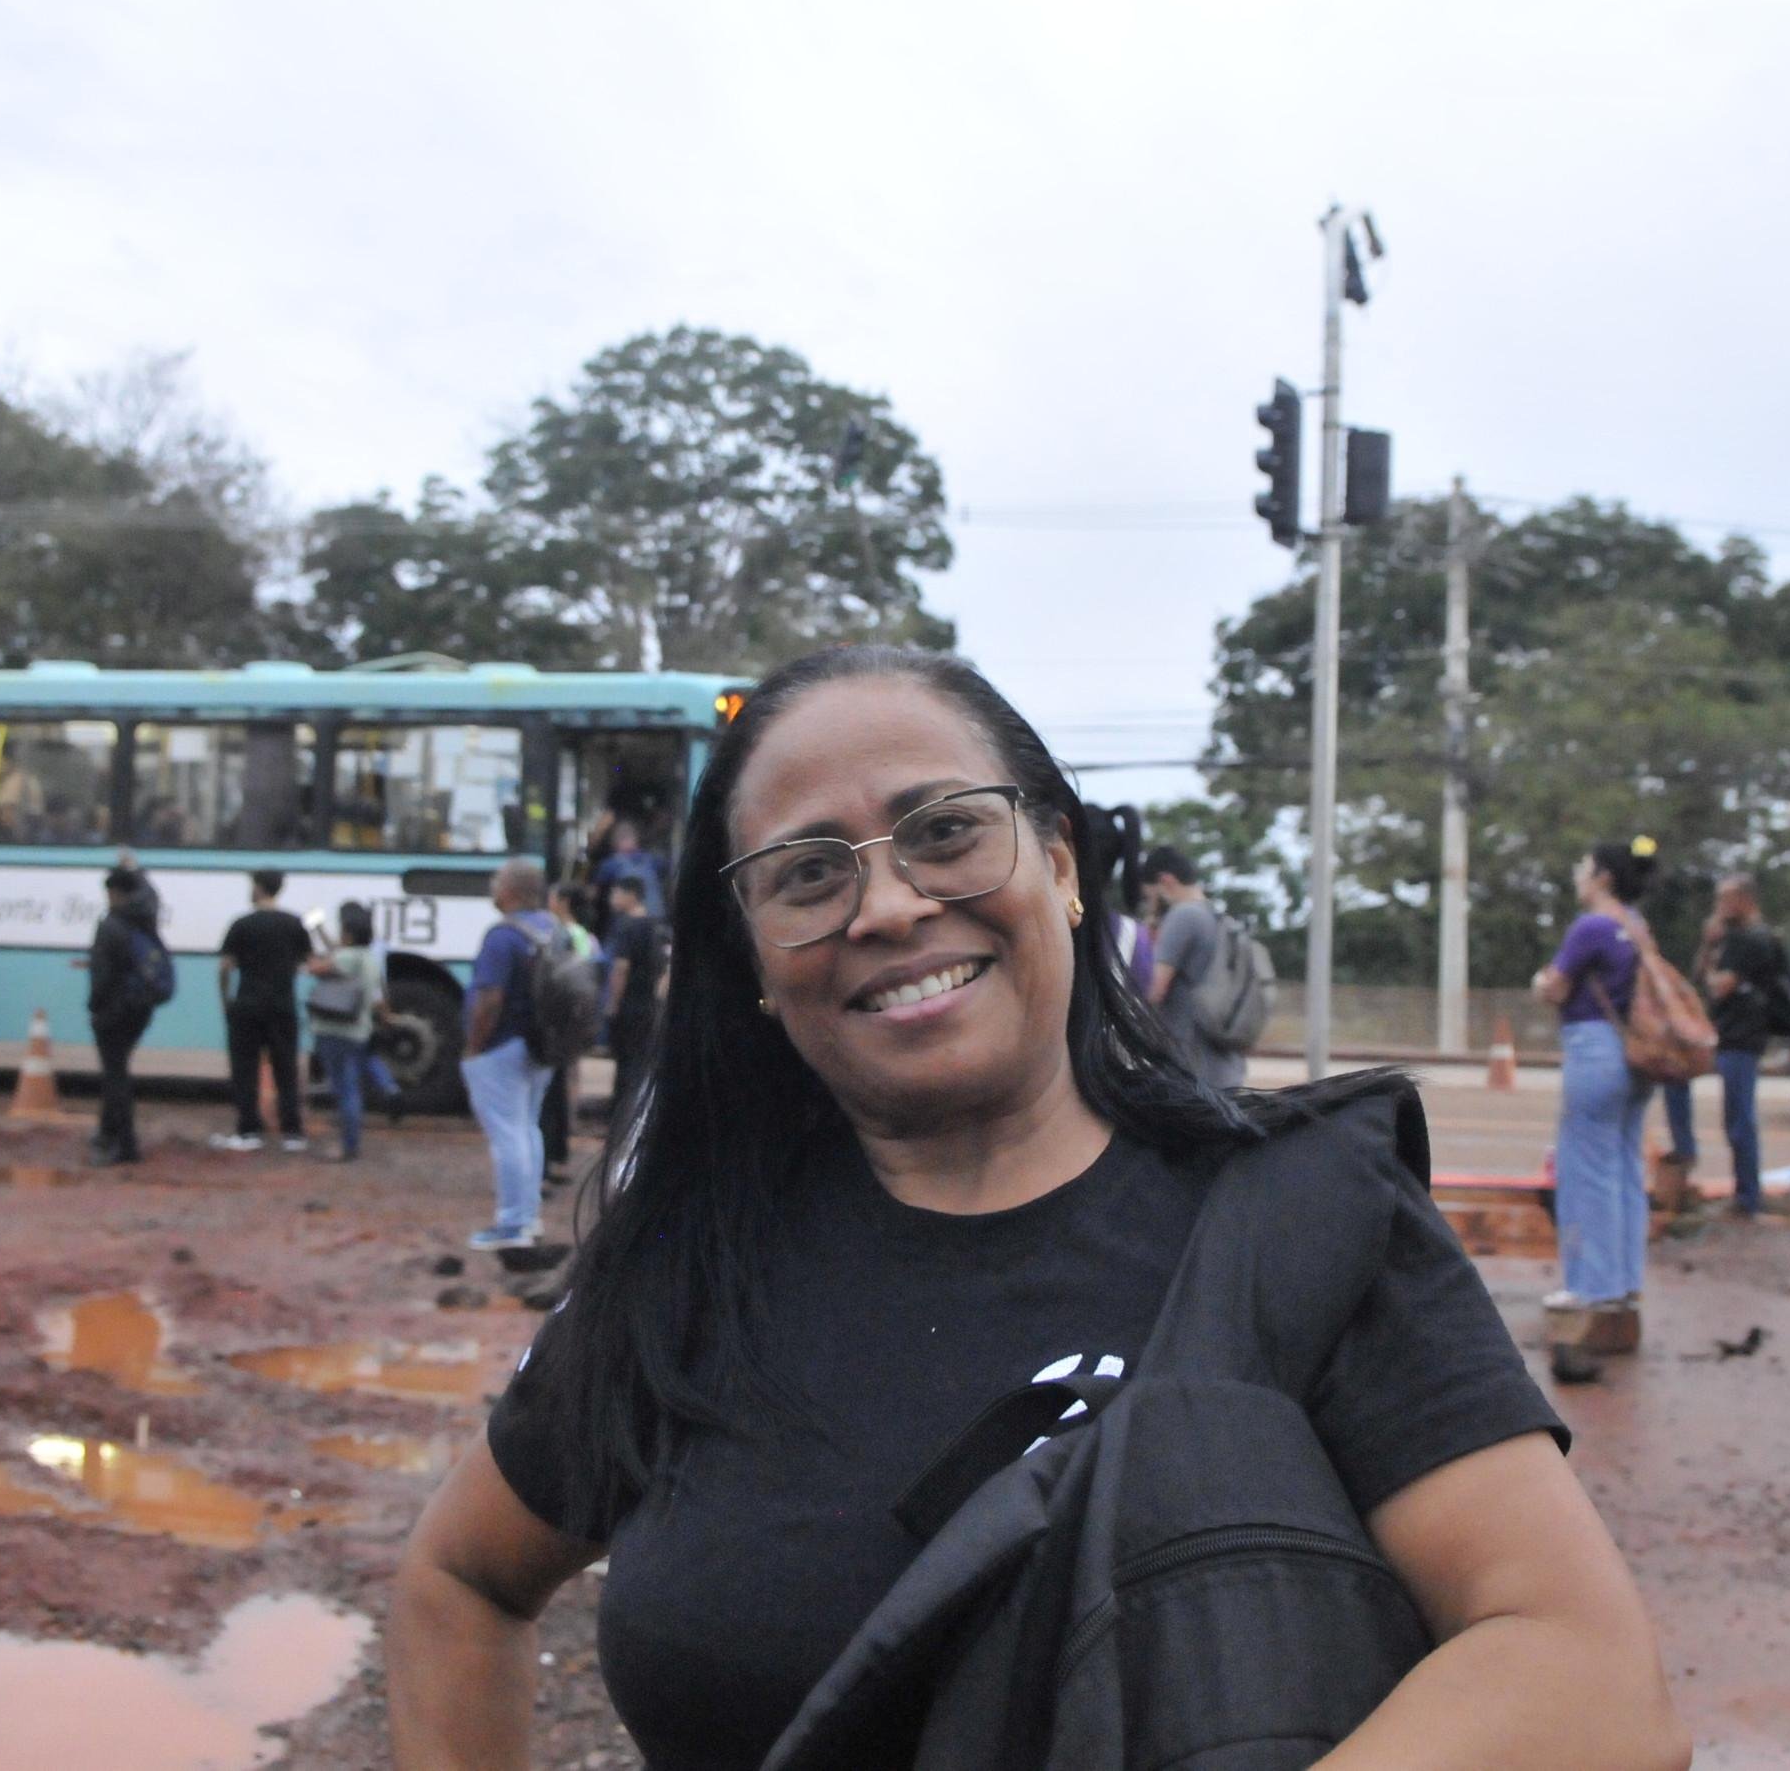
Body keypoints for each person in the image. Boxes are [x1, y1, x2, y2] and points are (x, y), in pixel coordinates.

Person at [387, 645, 1686, 1771]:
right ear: (753, 963)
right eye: (807, 874)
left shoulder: (1297, 1225)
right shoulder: (688, 1262)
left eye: (946, 831)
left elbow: (1586, 1678)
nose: (889, 904)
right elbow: (459, 1581)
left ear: (1059, 863)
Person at [1531, 839, 1658, 1316]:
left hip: (1594, 1049)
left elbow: (1556, 987)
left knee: (1585, 1171)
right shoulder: (1637, 926)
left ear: (1603, 877)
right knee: (1624, 1168)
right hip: (1637, 1054)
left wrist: (1541, 982)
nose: (1578, 876)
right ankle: (1625, 1281)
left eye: (1583, 868)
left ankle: (1591, 1287)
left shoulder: (1592, 926)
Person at [460, 861, 567, 1261]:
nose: (492, 887)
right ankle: (528, 1216)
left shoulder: (502, 936)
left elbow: (490, 998)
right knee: (527, 1130)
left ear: (511, 891)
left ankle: (513, 1224)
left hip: (501, 1045)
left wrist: (474, 1045)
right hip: (541, 1045)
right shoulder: (553, 929)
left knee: (507, 1136)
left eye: (497, 881)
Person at [1700, 873, 1790, 1217]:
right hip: (1738, 1034)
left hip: (1742, 1036)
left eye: (1726, 899)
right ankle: (1745, 1192)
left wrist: (1712, 955)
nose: (1719, 906)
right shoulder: (1744, 938)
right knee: (1736, 1116)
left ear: (1745, 900)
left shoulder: (1749, 940)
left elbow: (1717, 986)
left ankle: (1748, 1196)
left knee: (1739, 1119)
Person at [214, 869, 312, 1154]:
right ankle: (292, 1132)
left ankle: (249, 1130)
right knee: (286, 1068)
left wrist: (226, 1000)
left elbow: (225, 967)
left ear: (258, 888)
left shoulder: (241, 924)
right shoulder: (294, 923)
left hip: (248, 1003)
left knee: (245, 1069)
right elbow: (306, 961)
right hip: (282, 1004)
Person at [1140, 846, 1244, 1089]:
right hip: (1225, 1068)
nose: (1149, 904)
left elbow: (1153, 989)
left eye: (1149, 896)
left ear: (1165, 881)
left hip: (1189, 1070)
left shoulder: (1183, 916)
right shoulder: (1221, 918)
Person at [85, 866, 164, 1167]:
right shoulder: (145, 919)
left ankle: (125, 1143)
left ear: (114, 893)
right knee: (118, 1069)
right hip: (140, 1007)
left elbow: (102, 975)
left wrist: (94, 1006)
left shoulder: (111, 925)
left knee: (115, 1076)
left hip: (113, 1009)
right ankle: (107, 1132)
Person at [307, 901, 389, 1164]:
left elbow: (316, 969)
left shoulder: (346, 957)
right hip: (358, 1031)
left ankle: (347, 1146)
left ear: (349, 934)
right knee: (351, 1088)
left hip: (335, 1030)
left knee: (343, 1089)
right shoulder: (370, 959)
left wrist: (310, 956)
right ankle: (351, 1142)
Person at [536, 884, 602, 1179]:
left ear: (562, 902)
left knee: (552, 1093)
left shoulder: (567, 934)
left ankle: (550, 1157)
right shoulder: (582, 935)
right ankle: (556, 1154)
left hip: (560, 1021)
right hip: (573, 1022)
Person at [600, 874, 665, 1132]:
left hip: (629, 1005)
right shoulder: (656, 925)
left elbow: (621, 968)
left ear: (631, 895)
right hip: (650, 1005)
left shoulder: (626, 926)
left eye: (616, 893)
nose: (612, 898)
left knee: (625, 1065)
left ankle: (620, 1121)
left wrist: (612, 1004)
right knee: (641, 1063)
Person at [590, 818, 670, 934]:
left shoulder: (612, 864)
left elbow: (594, 892)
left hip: (631, 921)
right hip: (655, 916)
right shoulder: (653, 860)